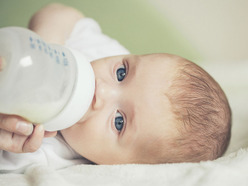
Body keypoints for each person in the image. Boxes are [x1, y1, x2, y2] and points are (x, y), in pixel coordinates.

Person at [0, 3, 231, 172]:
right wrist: (47, 42)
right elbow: (60, 13)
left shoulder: (44, 154)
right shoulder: (103, 52)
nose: (100, 91)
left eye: (119, 122)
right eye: (122, 73)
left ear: (120, 165)